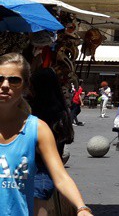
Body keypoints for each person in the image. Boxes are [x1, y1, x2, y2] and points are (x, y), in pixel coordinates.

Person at [0, 53, 93, 216]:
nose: (5, 85)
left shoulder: (37, 129)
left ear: (25, 86)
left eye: (14, 80)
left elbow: (60, 176)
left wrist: (82, 208)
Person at [28, 68, 76, 216]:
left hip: (37, 170)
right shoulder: (61, 111)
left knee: (37, 209)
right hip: (47, 171)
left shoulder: (34, 112)